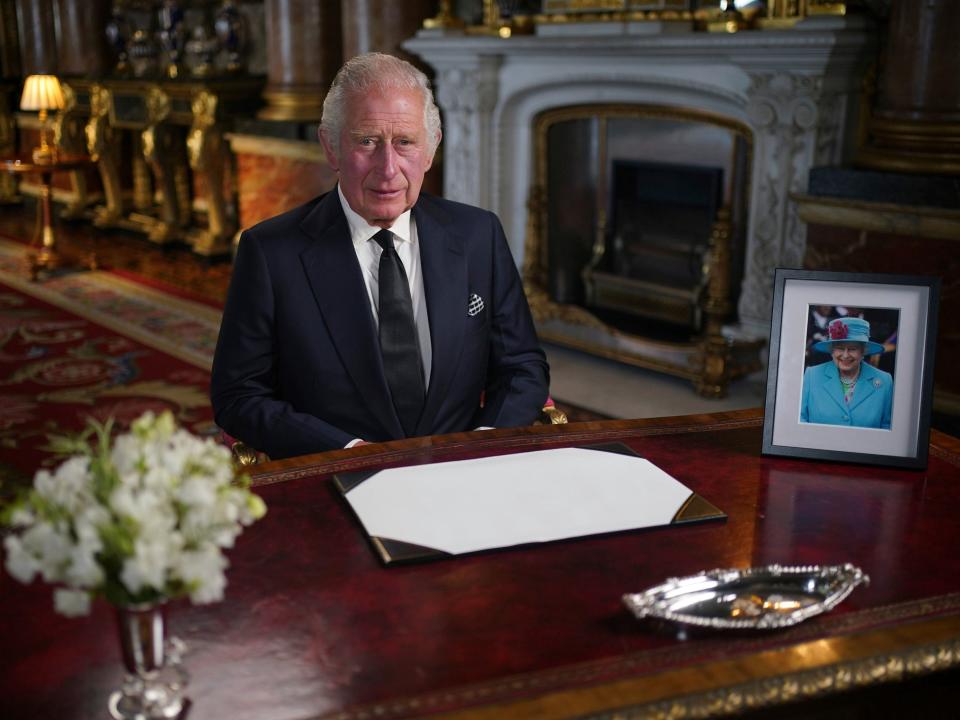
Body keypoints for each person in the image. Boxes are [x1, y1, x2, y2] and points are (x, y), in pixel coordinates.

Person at [211, 53, 549, 459]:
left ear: (431, 149)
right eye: (366, 141)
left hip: (464, 474)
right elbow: (239, 395)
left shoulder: (479, 235)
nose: (388, 168)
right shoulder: (271, 253)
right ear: (331, 148)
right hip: (336, 479)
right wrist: (347, 452)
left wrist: (482, 443)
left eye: (405, 142)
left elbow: (522, 366)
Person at [800, 316, 893, 429]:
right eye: (839, 348)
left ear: (863, 351)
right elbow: (800, 419)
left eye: (852, 349)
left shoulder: (884, 381)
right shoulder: (812, 376)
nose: (845, 355)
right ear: (831, 350)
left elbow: (887, 428)